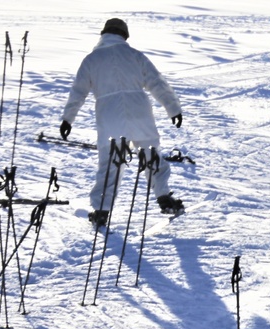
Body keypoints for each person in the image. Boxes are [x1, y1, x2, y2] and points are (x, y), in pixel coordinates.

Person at [60, 17, 185, 226]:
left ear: (104, 34)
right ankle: (163, 197)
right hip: (140, 112)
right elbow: (157, 83)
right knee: (151, 155)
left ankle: (101, 210)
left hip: (110, 117)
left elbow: (78, 92)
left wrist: (67, 119)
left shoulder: (92, 59)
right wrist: (173, 109)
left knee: (109, 163)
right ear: (124, 36)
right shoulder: (135, 56)